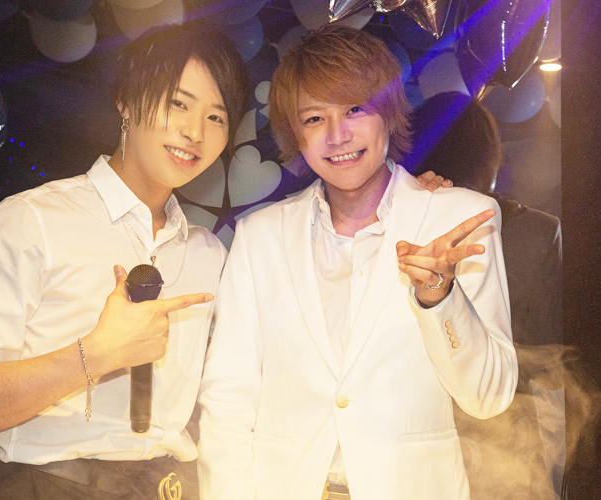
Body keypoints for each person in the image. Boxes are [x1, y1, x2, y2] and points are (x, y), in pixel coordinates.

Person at [0, 21, 251, 500]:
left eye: (217, 117)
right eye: (177, 103)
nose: (193, 132)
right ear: (125, 101)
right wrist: (92, 356)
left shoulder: (209, 253)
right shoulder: (32, 221)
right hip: (44, 486)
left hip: (168, 487)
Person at [196, 25, 518, 500]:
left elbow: (489, 397)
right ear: (296, 135)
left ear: (388, 112)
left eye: (354, 109)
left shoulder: (461, 220)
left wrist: (440, 298)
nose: (337, 135)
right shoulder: (260, 237)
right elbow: (228, 396)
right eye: (313, 119)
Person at [406, 92, 564, 500]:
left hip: (415, 434)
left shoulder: (398, 228)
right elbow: (547, 358)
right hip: (508, 439)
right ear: (489, 157)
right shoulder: (537, 231)